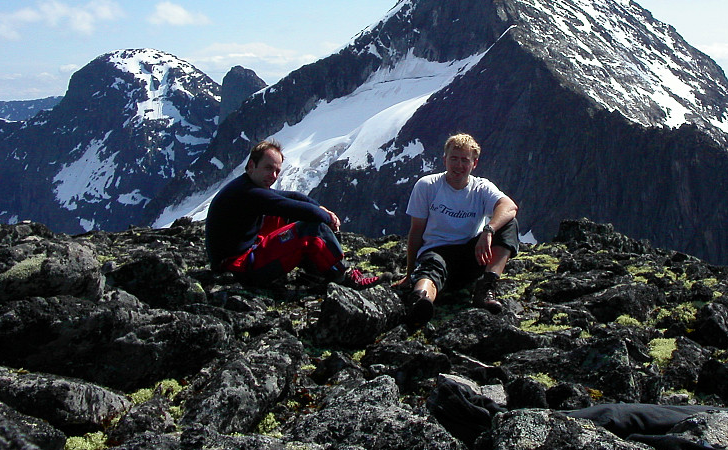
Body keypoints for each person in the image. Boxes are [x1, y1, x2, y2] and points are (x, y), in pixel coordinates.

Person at [205, 139, 378, 289]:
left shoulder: (246, 186)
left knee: (290, 216)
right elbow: (303, 211)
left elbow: (294, 197)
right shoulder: (250, 193)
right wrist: (328, 218)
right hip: (238, 268)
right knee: (310, 227)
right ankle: (345, 276)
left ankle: (316, 269)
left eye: (277, 171)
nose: (273, 176)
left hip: (235, 258)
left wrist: (321, 208)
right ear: (251, 165)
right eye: (268, 168)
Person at [396, 133, 519, 325]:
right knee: (431, 268)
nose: (458, 166)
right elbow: (416, 232)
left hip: (472, 255)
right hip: (436, 252)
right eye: (454, 159)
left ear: (474, 164)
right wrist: (410, 273)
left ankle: (486, 287)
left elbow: (509, 207)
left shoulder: (481, 188)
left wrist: (488, 230)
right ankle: (420, 299)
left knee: (509, 224)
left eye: (464, 160)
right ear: (445, 160)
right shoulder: (427, 186)